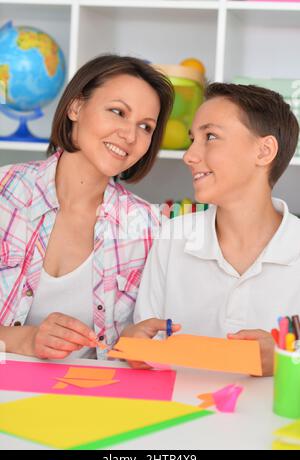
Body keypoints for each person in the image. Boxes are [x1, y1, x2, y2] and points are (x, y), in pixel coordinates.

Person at [0, 54, 174, 360]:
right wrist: (23, 339)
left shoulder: (148, 227)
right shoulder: (6, 191)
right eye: (118, 112)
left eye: (146, 127)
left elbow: (138, 350)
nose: (130, 135)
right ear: (76, 107)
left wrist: (133, 346)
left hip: (87, 402)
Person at [123, 82, 300, 376]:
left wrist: (286, 357)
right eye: (193, 139)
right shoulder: (173, 238)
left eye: (211, 137)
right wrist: (134, 345)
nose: (189, 156)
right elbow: (147, 346)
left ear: (264, 150)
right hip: (179, 418)